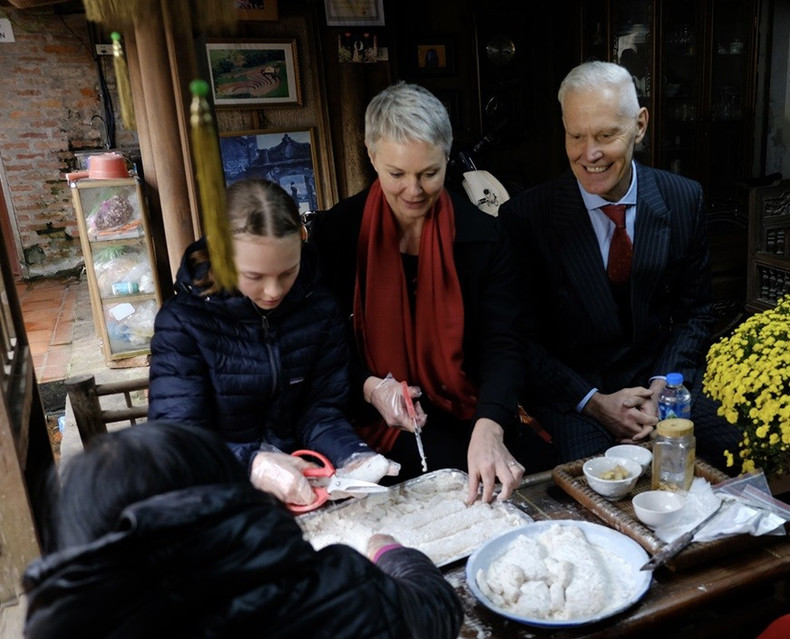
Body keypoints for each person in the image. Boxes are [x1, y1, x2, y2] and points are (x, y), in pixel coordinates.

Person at [498, 60, 740, 468]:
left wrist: (663, 387)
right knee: (600, 484)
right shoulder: (526, 217)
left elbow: (694, 313)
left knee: (742, 453)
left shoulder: (683, 198)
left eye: (607, 135)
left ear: (640, 125)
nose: (590, 153)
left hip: (661, 383)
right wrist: (595, 403)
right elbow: (520, 339)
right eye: (576, 136)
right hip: (577, 395)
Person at [23, 422, 464, 638]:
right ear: (228, 499)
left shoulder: (72, 621)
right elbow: (436, 608)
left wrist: (343, 446)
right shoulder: (330, 591)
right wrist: (390, 553)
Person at [310, 82, 528, 503]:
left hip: (466, 407)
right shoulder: (337, 235)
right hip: (371, 416)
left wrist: (491, 424)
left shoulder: (482, 236)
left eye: (430, 173)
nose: (414, 190)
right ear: (372, 157)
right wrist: (371, 387)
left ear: (447, 158)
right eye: (397, 174)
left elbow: (505, 343)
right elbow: (322, 344)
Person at [148, 178, 398, 508]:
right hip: (220, 495)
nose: (274, 291)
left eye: (287, 271)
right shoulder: (183, 323)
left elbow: (321, 409)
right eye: (255, 276)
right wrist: (251, 464)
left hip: (304, 485)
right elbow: (176, 442)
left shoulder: (317, 306)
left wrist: (349, 454)